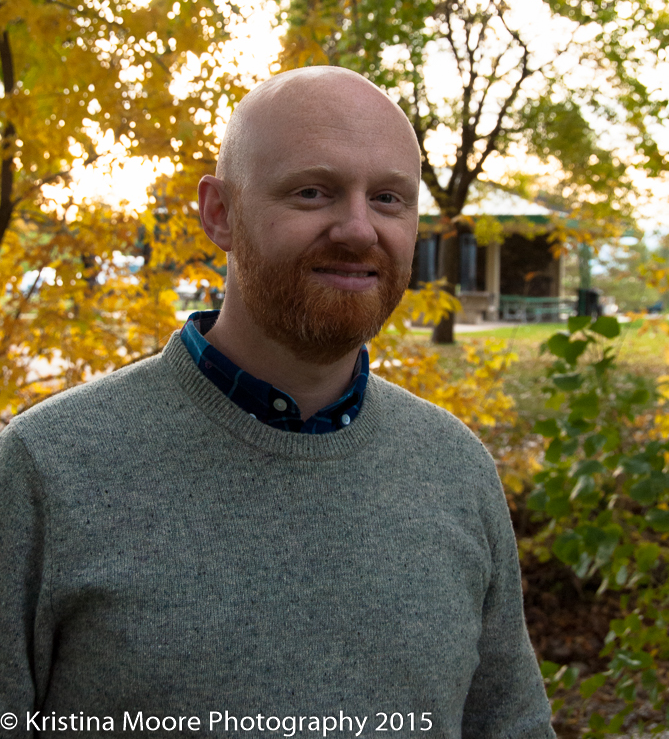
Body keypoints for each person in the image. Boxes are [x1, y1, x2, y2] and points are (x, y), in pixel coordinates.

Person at [0, 67, 555, 739]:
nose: (358, 229)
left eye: (387, 198)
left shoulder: (456, 470)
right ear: (219, 213)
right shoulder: (44, 471)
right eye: (311, 192)